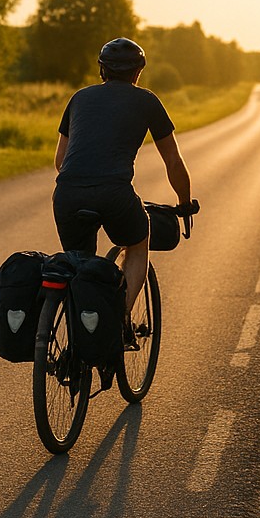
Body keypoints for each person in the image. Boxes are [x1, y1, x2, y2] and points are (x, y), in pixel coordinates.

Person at [52, 37, 193, 321]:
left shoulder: (79, 98)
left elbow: (60, 162)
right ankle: (117, 323)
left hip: (67, 194)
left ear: (102, 70)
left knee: (80, 264)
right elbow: (173, 161)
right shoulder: (147, 100)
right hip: (115, 194)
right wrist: (184, 203)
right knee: (138, 245)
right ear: (138, 72)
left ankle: (80, 337)